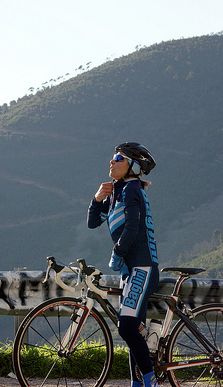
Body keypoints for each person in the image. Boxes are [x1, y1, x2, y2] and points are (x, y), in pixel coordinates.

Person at [87, 142, 160, 387]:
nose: (111, 161)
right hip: (132, 270)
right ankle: (137, 384)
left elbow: (132, 227)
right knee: (133, 332)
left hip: (142, 267)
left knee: (127, 327)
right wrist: (98, 198)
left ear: (132, 167)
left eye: (118, 158)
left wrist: (117, 253)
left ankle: (150, 382)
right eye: (113, 157)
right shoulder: (119, 190)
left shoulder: (132, 190)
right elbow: (93, 222)